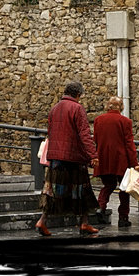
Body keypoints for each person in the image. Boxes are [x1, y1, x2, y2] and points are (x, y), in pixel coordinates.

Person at [35, 81, 100, 236]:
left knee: (54, 191)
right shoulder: (77, 108)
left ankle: (42, 221)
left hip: (57, 157)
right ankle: (84, 223)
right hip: (74, 157)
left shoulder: (55, 108)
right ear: (78, 95)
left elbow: (51, 132)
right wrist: (93, 155)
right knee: (82, 190)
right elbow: (84, 134)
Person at [93, 96, 139, 227]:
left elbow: (96, 139)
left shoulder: (98, 120)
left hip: (104, 158)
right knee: (124, 188)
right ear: (120, 107)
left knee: (108, 185)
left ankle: (100, 207)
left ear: (108, 106)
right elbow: (129, 144)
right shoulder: (125, 122)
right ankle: (123, 218)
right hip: (121, 160)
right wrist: (134, 163)